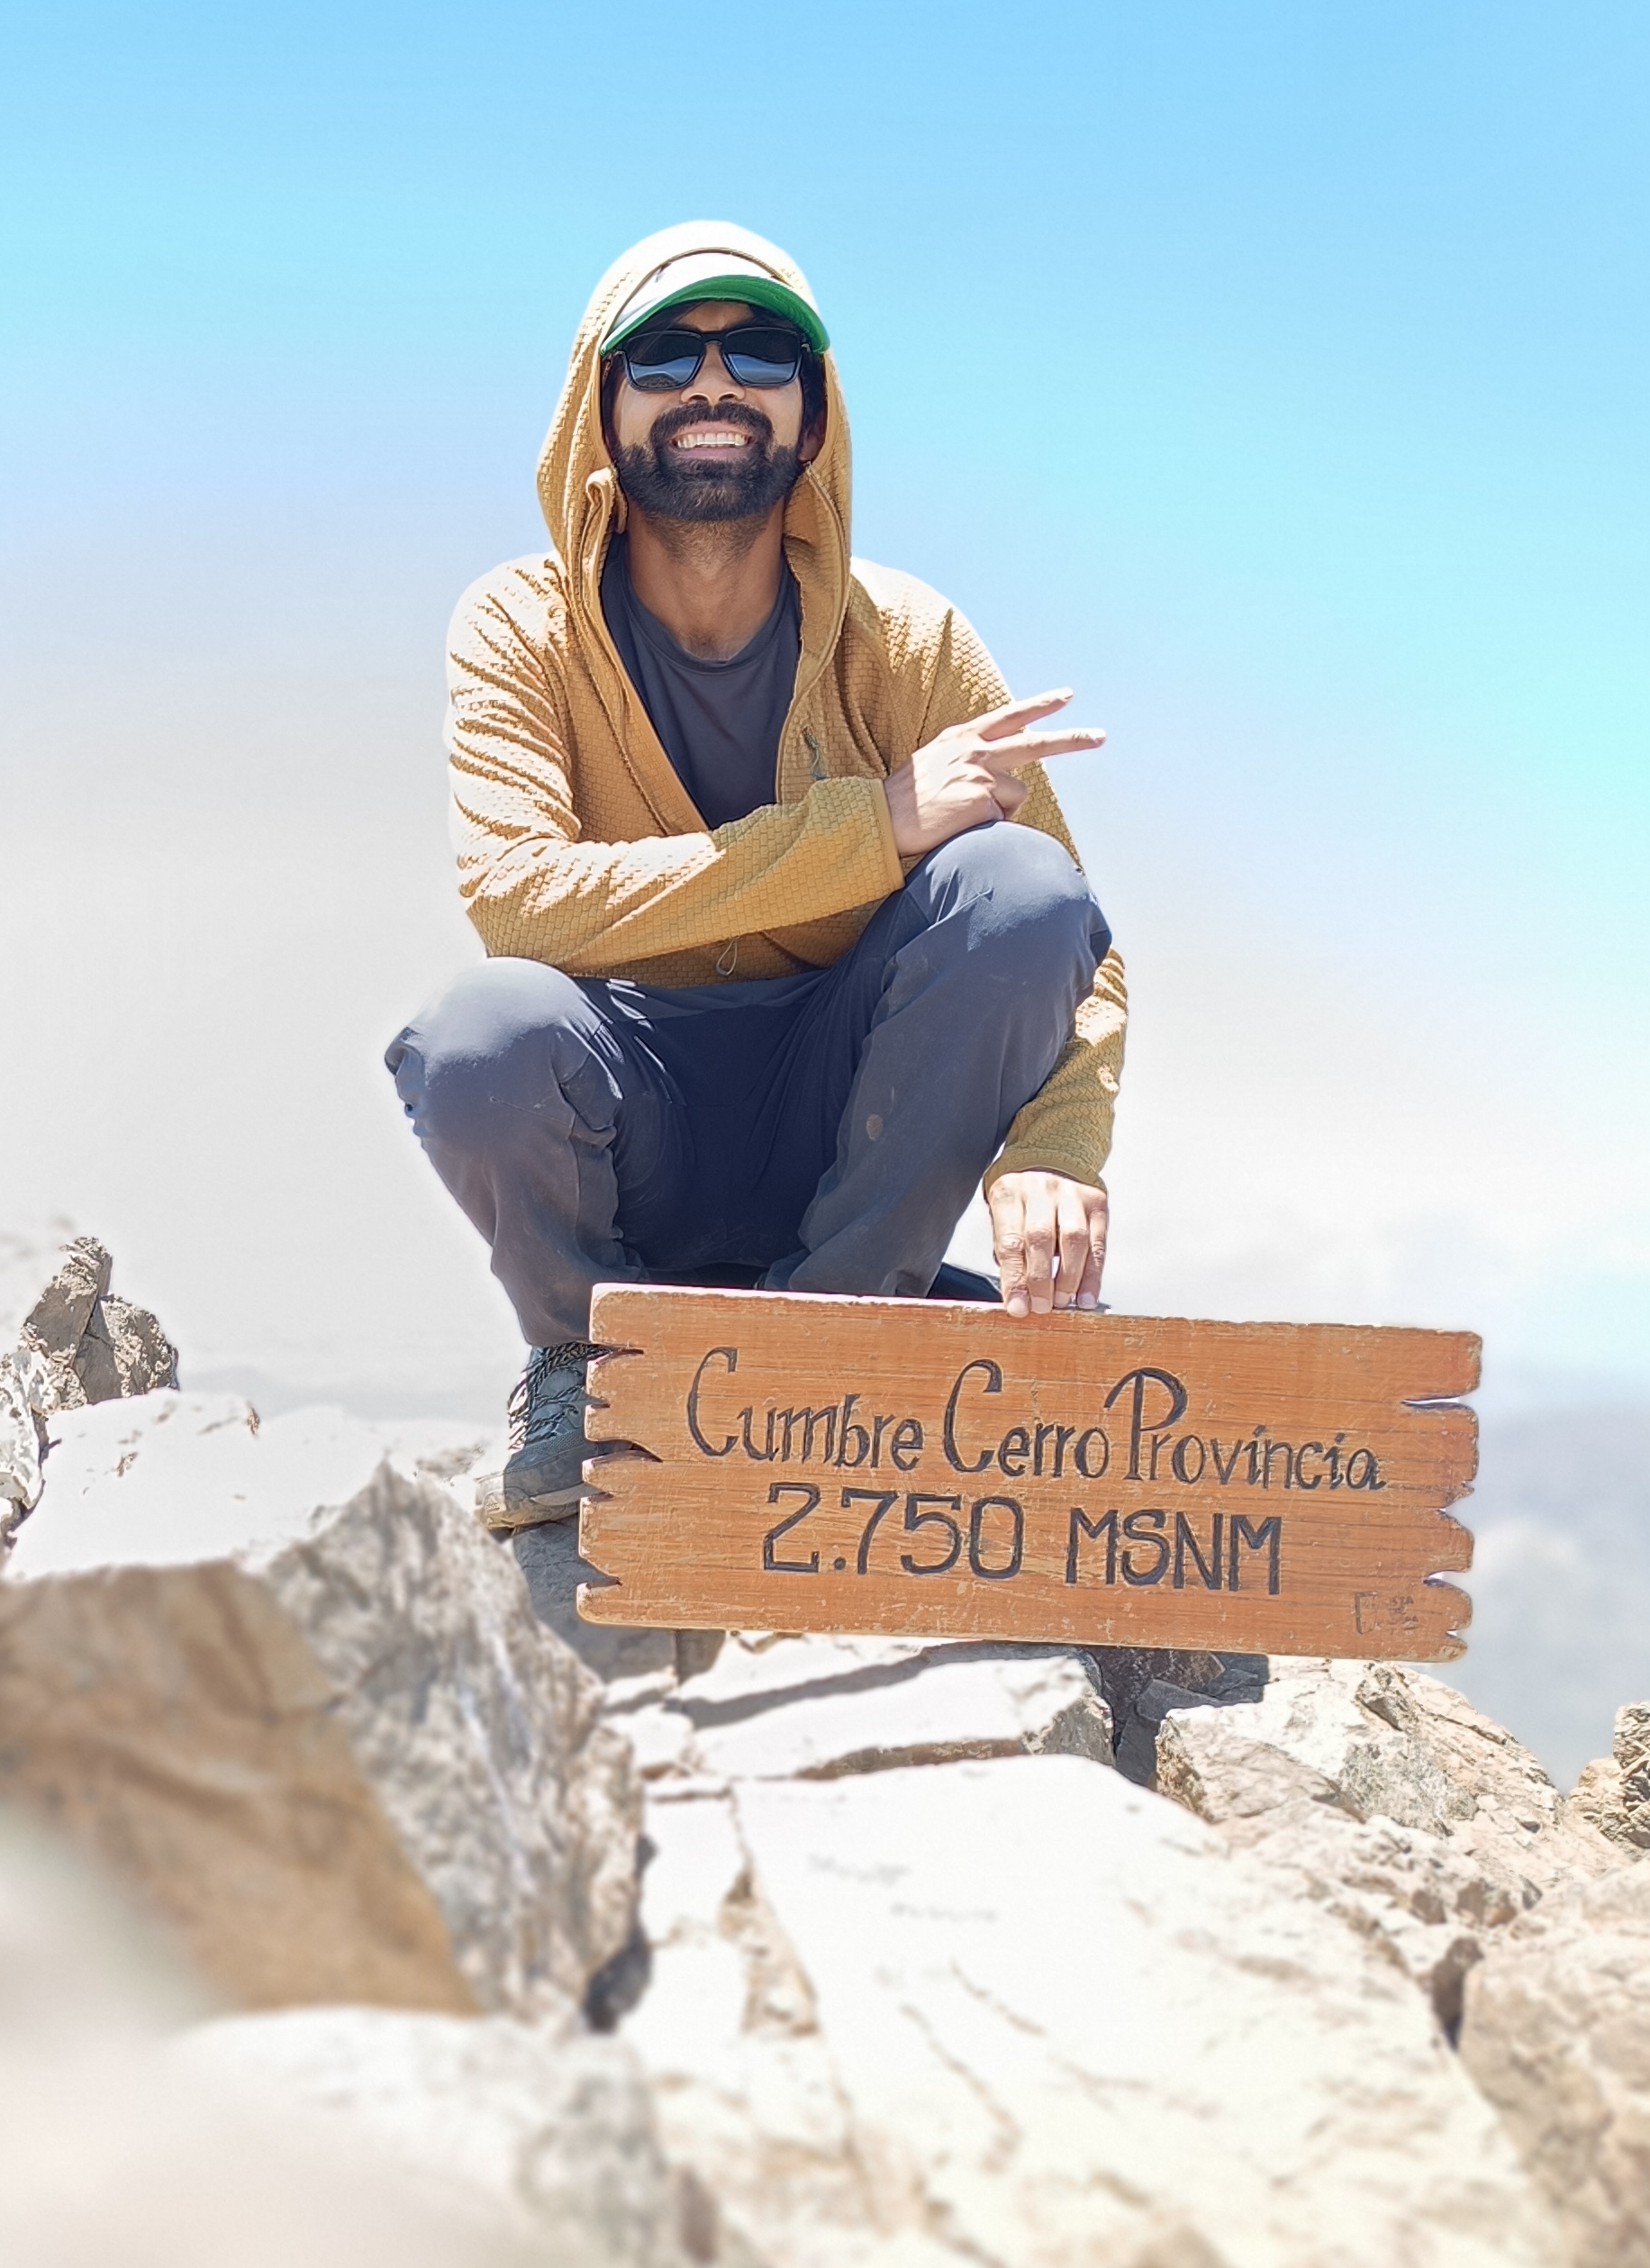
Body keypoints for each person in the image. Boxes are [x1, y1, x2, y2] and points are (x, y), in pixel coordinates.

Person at [385, 221, 1128, 1532]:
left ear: (814, 410)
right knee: (480, 1032)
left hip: (845, 1128)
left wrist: (1057, 1149)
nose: (715, 386)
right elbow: (517, 897)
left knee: (1019, 886)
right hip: (632, 1120)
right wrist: (875, 825)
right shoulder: (518, 626)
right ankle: (587, 1360)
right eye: (666, 356)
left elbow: (1075, 943)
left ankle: (839, 1331)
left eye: (762, 354)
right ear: (600, 405)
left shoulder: (910, 642)